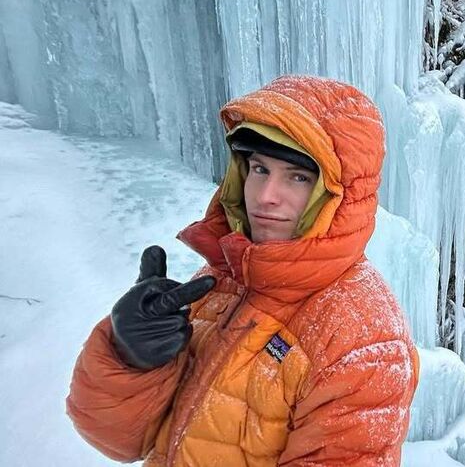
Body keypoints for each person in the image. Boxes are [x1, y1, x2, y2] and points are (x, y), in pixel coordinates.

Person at [66, 75, 419, 466]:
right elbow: (119, 440)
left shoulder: (363, 340)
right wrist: (131, 356)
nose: (265, 196)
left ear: (339, 197)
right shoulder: (227, 278)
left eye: (298, 177)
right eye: (259, 169)